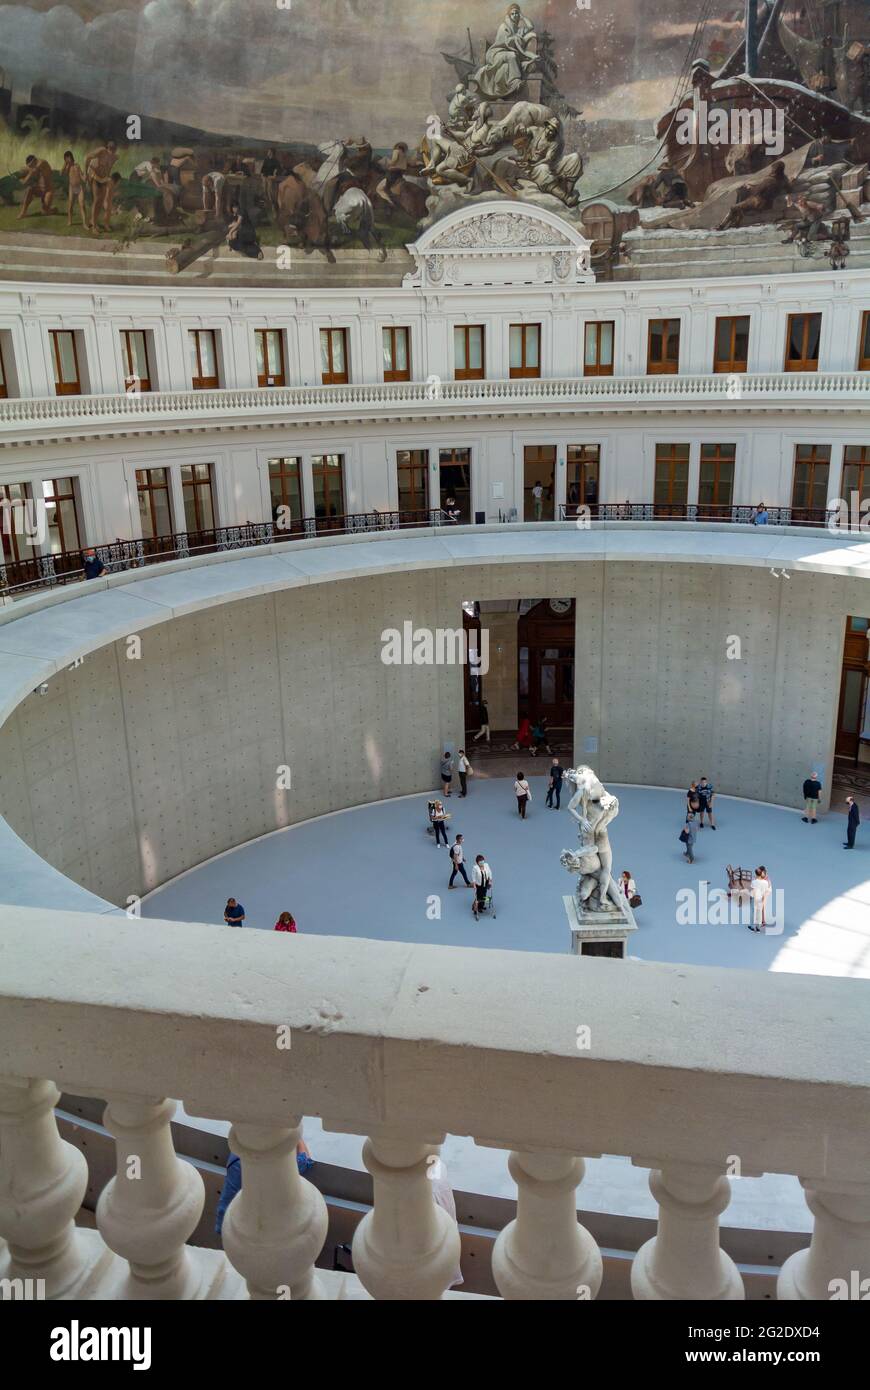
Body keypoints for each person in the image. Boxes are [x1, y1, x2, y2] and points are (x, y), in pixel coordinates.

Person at [216, 1138, 313, 1236]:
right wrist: (297, 1137)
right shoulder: (273, 1163)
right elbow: (304, 1162)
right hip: (260, 1234)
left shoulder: (238, 1153)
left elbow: (225, 1207)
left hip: (230, 1226)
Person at [84, 140, 118, 232]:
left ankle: (92, 221)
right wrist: (85, 174)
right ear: (107, 147)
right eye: (110, 148)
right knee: (97, 200)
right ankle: (94, 226)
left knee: (101, 201)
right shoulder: (102, 150)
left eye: (113, 149)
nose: (111, 150)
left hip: (103, 178)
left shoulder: (115, 157)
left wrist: (106, 179)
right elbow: (87, 157)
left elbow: (108, 169)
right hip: (94, 175)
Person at [17, 154, 55, 219]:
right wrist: (23, 171)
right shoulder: (34, 165)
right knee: (30, 189)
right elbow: (28, 169)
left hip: (48, 190)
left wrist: (23, 180)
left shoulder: (42, 162)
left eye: (31, 165)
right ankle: (23, 213)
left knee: (45, 212)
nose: (31, 167)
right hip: (40, 189)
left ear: (34, 160)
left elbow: (32, 172)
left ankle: (51, 210)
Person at [63, 151, 87, 227]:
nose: (68, 159)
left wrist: (85, 178)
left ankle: (84, 224)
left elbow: (82, 177)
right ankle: (70, 221)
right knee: (70, 206)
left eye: (69, 157)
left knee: (82, 205)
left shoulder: (77, 165)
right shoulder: (67, 167)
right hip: (72, 188)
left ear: (71, 157)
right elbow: (62, 173)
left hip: (79, 187)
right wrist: (66, 164)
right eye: (66, 158)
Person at [749, 866, 771, 931]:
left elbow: (752, 890)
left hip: (754, 897)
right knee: (759, 912)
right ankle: (758, 927)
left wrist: (750, 897)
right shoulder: (766, 882)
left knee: (753, 912)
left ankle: (752, 926)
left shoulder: (754, 881)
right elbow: (766, 890)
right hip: (760, 898)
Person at [471, 854, 492, 919]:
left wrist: (490, 880)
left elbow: (490, 873)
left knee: (484, 895)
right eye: (480, 861)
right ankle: (475, 908)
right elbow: (473, 877)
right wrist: (474, 885)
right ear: (477, 862)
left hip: (485, 884)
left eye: (483, 860)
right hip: (479, 885)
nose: (482, 862)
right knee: (478, 896)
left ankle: (481, 907)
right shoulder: (475, 868)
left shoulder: (486, 865)